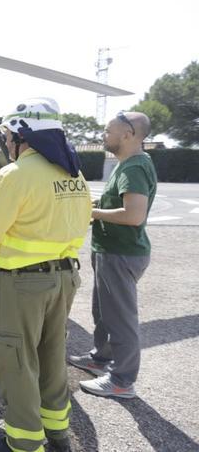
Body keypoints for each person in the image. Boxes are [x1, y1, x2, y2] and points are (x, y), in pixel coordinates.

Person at [0, 98, 91, 452]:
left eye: (8, 136)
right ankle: (58, 432)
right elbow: (82, 222)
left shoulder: (15, 175)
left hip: (22, 283)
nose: (6, 143)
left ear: (24, 136)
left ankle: (23, 442)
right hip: (65, 277)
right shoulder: (74, 173)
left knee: (16, 360)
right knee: (52, 354)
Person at [68, 111, 157, 400]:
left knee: (121, 319)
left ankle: (122, 380)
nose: (103, 136)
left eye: (108, 131)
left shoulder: (133, 168)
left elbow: (133, 215)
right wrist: (98, 204)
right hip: (111, 252)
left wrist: (89, 212)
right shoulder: (127, 165)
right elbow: (118, 204)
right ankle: (100, 359)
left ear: (128, 134)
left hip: (122, 253)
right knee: (104, 311)